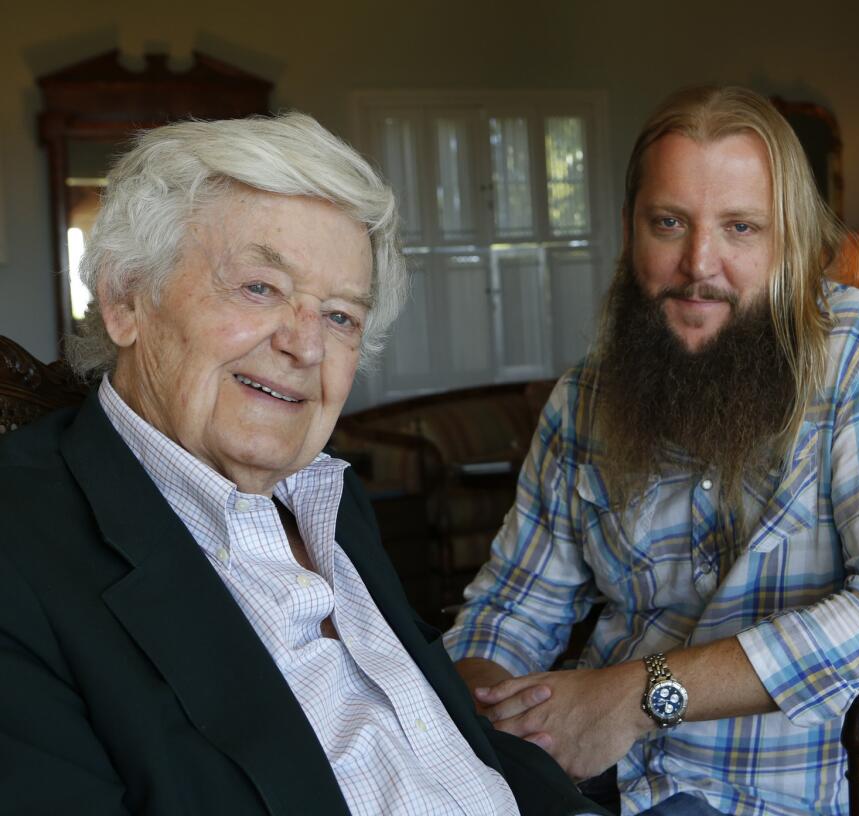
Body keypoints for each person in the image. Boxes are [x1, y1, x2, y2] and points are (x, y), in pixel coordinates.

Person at [0, 113, 602, 815]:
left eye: (341, 316)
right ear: (125, 298)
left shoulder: (328, 498)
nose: (306, 345)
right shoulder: (22, 553)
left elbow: (445, 746)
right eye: (260, 287)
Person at [444, 86, 859, 816]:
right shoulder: (586, 396)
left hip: (756, 796)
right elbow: (509, 608)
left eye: (741, 227)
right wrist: (494, 715)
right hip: (579, 778)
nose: (699, 262)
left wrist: (636, 695)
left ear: (790, 239)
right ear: (632, 231)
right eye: (669, 223)